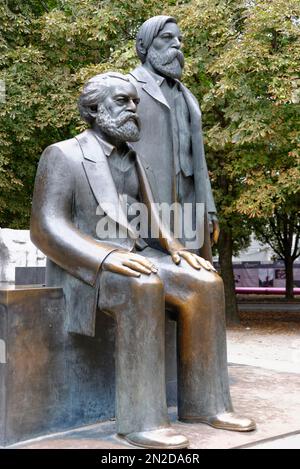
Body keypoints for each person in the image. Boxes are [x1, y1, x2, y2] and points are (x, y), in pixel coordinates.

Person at [30, 72, 255, 449]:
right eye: (123, 101)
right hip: (84, 267)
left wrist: (177, 251)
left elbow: (150, 222)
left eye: (135, 101)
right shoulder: (62, 154)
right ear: (94, 108)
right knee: (144, 285)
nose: (134, 108)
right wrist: (105, 256)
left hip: (136, 258)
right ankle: (142, 421)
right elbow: (47, 227)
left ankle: (205, 404)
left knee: (206, 284)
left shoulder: (134, 159)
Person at [130, 15, 219, 260]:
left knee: (193, 274)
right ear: (142, 46)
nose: (177, 45)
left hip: (189, 201)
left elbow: (199, 161)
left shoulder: (187, 96)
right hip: (147, 202)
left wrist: (208, 210)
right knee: (153, 275)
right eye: (167, 38)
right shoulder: (127, 89)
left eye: (179, 39)